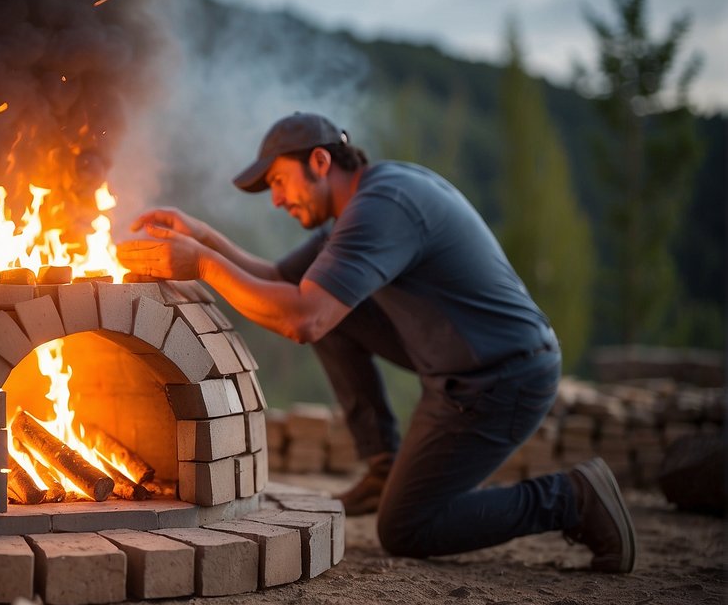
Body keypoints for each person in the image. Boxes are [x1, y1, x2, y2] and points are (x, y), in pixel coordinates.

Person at [118, 111, 636, 572]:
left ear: (319, 161)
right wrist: (204, 238)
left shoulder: (383, 208)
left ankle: (571, 498)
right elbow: (279, 279)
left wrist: (203, 265)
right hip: (462, 369)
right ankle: (384, 467)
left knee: (407, 528)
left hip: (502, 378)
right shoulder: (363, 205)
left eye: (278, 181)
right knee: (319, 301)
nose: (276, 200)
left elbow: (303, 321)